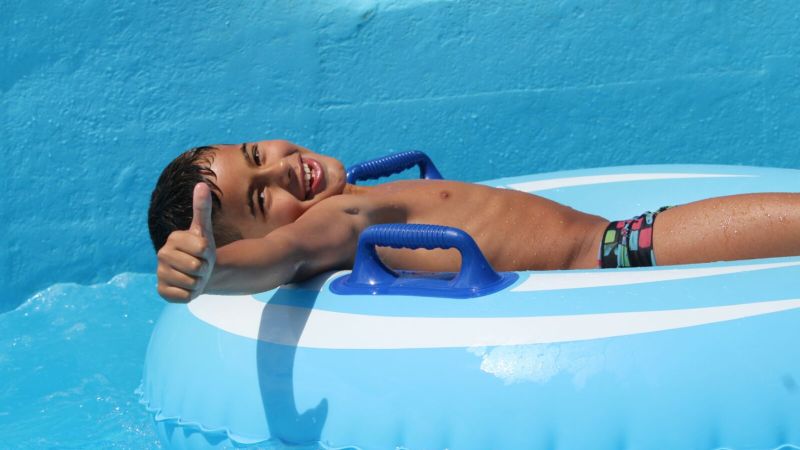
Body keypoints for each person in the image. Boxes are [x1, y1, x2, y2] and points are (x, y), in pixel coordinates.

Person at [148, 139, 800, 302]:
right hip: (620, 252)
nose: (281, 170)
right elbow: (283, 257)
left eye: (258, 156)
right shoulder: (338, 220)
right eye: (261, 200)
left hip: (618, 242)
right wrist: (210, 270)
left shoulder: (350, 198)